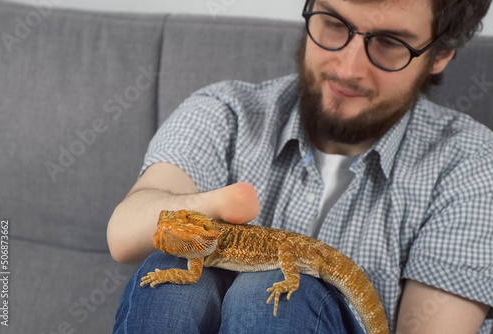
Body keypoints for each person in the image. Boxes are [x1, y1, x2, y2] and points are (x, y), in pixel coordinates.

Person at [108, 0, 493, 332]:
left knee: (263, 298)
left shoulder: (472, 163)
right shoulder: (224, 112)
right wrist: (210, 213)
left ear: (440, 54)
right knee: (168, 284)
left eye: (390, 43)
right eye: (334, 22)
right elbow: (125, 235)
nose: (348, 67)